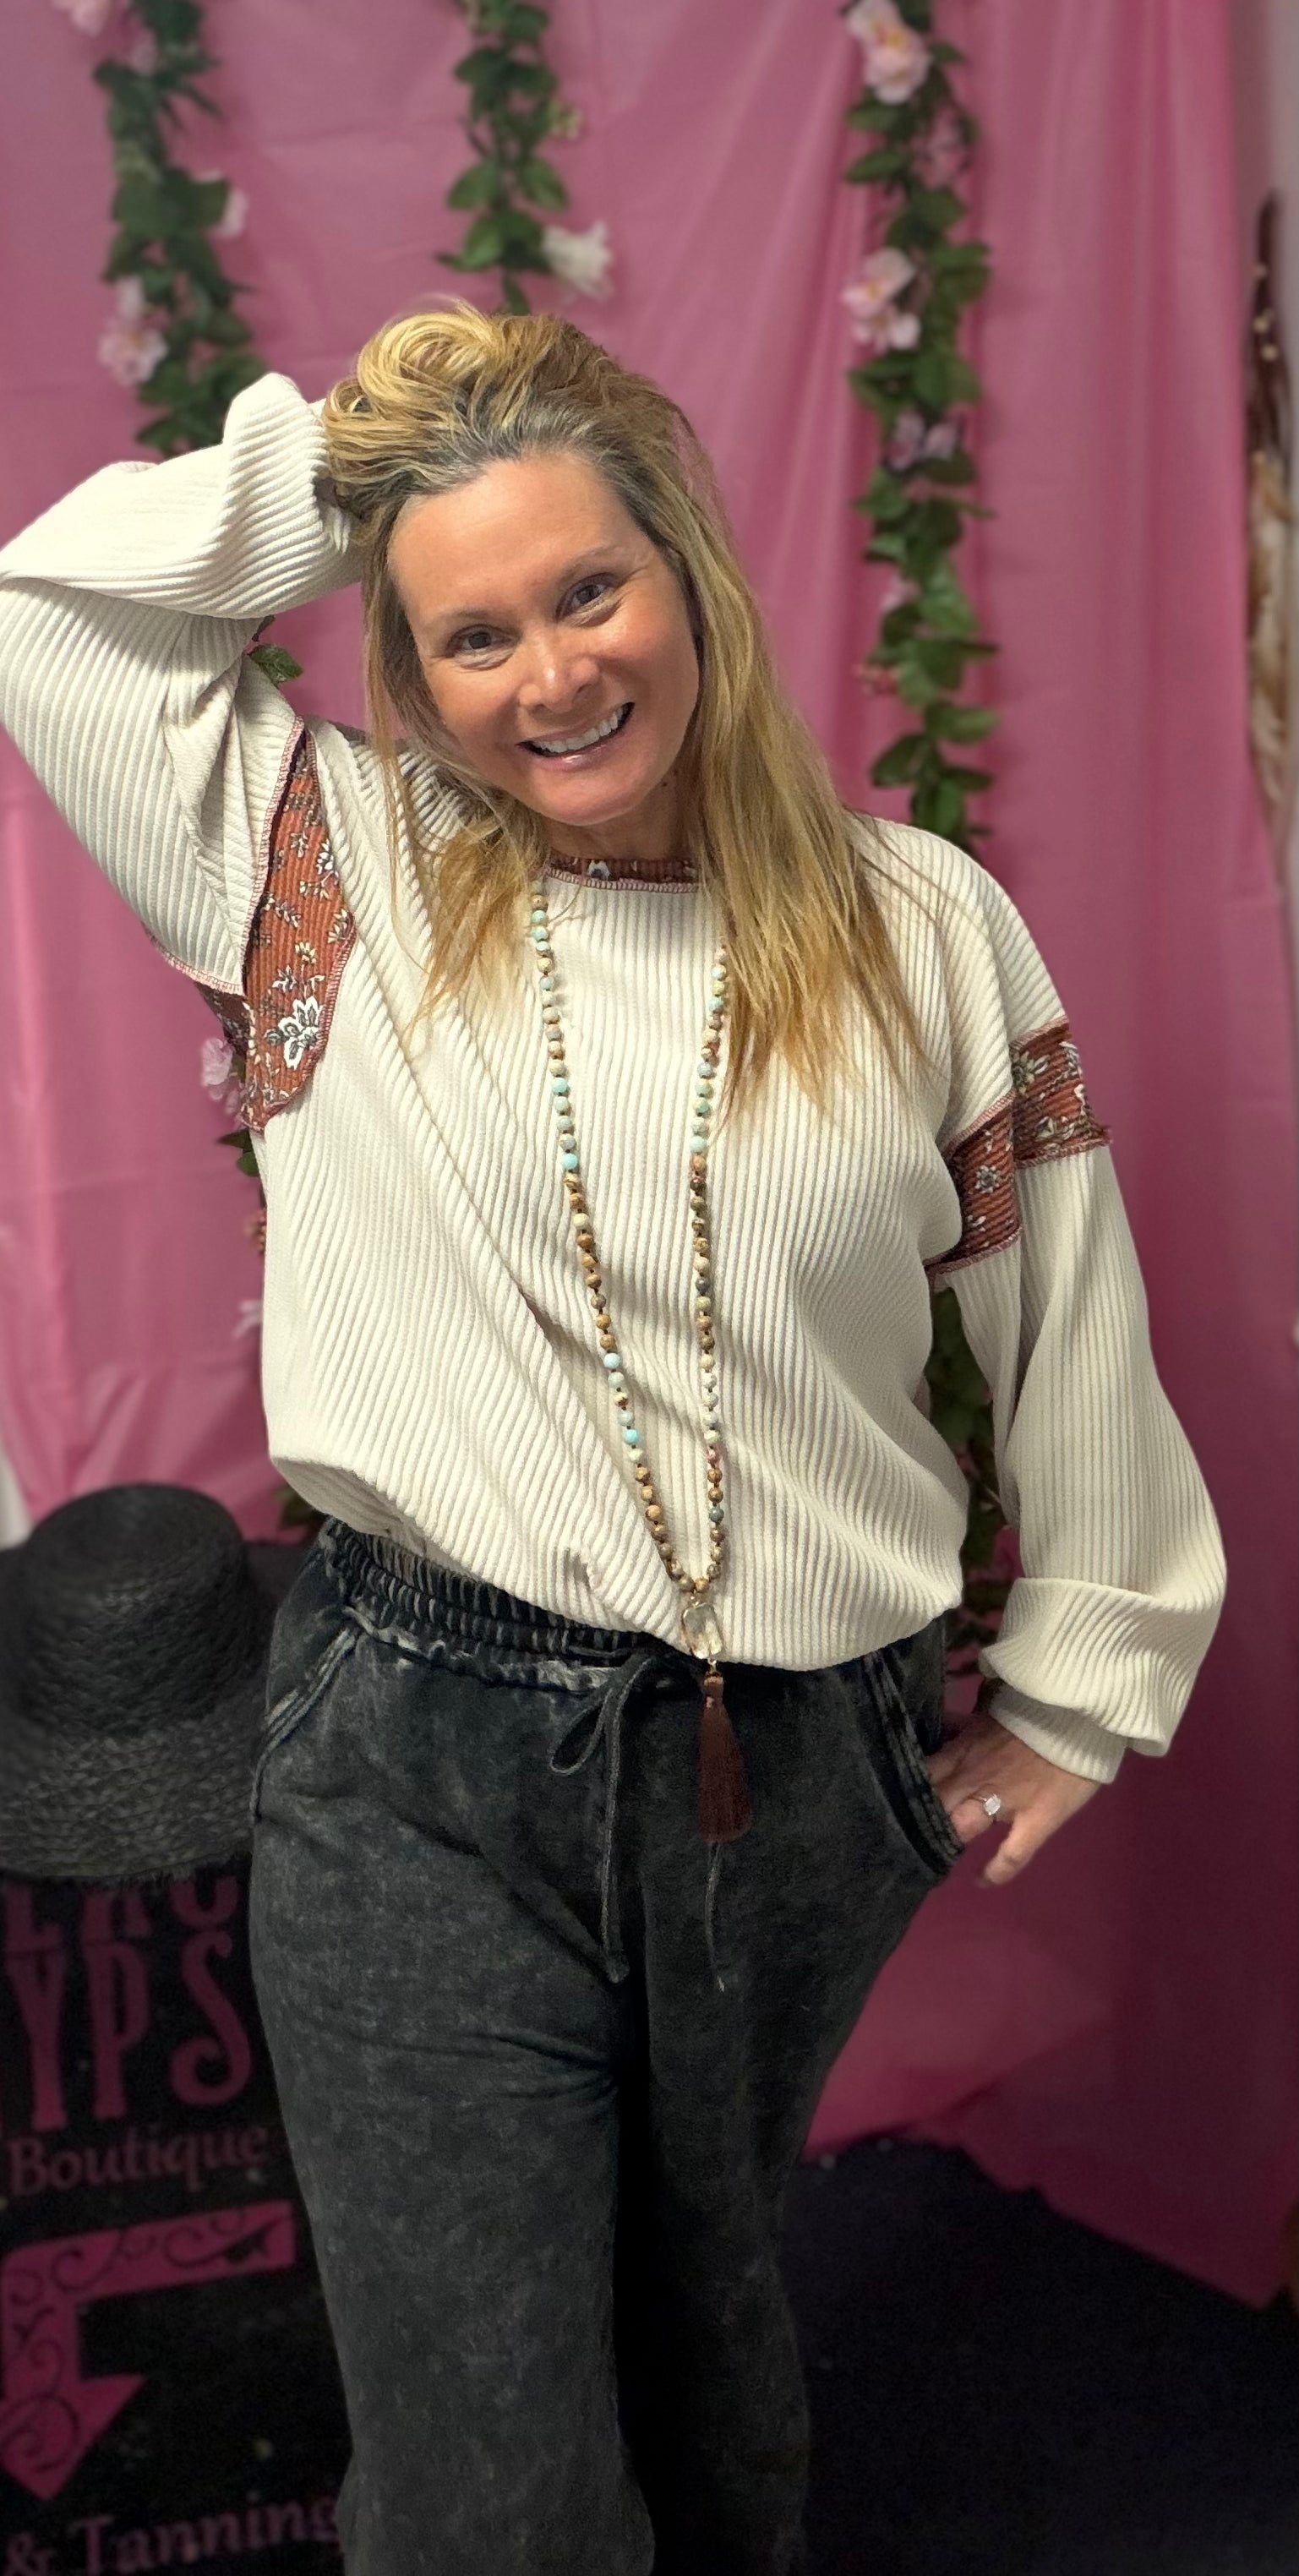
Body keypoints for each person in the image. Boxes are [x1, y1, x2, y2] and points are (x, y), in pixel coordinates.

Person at [0, 299, 1226, 2575]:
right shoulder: (316, 871)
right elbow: (42, 609)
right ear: (408, 664)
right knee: (484, 2461)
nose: (549, 671)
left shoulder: (912, 922)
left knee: (704, 2360)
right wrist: (346, 474)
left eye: (587, 588)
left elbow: (1066, 1298)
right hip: (418, 1768)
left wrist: (1077, 1684)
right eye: (470, 632)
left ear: (684, 576)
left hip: (797, 1770)